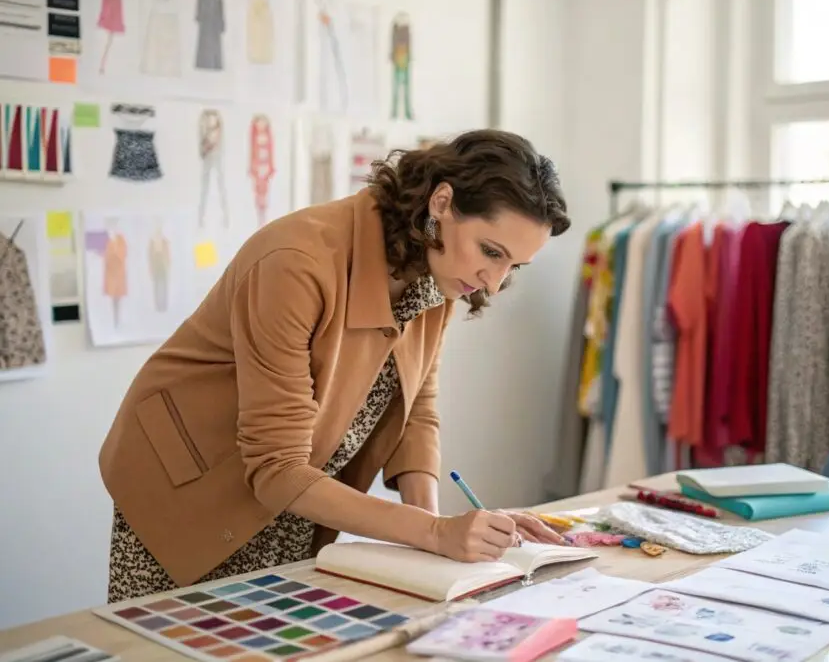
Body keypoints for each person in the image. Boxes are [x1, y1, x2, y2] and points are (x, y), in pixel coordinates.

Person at [98, 129, 571, 602]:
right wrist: (432, 532)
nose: (493, 282)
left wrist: (443, 536)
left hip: (294, 494)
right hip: (189, 488)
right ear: (442, 203)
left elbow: (417, 414)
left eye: (514, 266)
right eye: (491, 252)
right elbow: (277, 467)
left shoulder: (440, 270)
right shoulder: (295, 262)